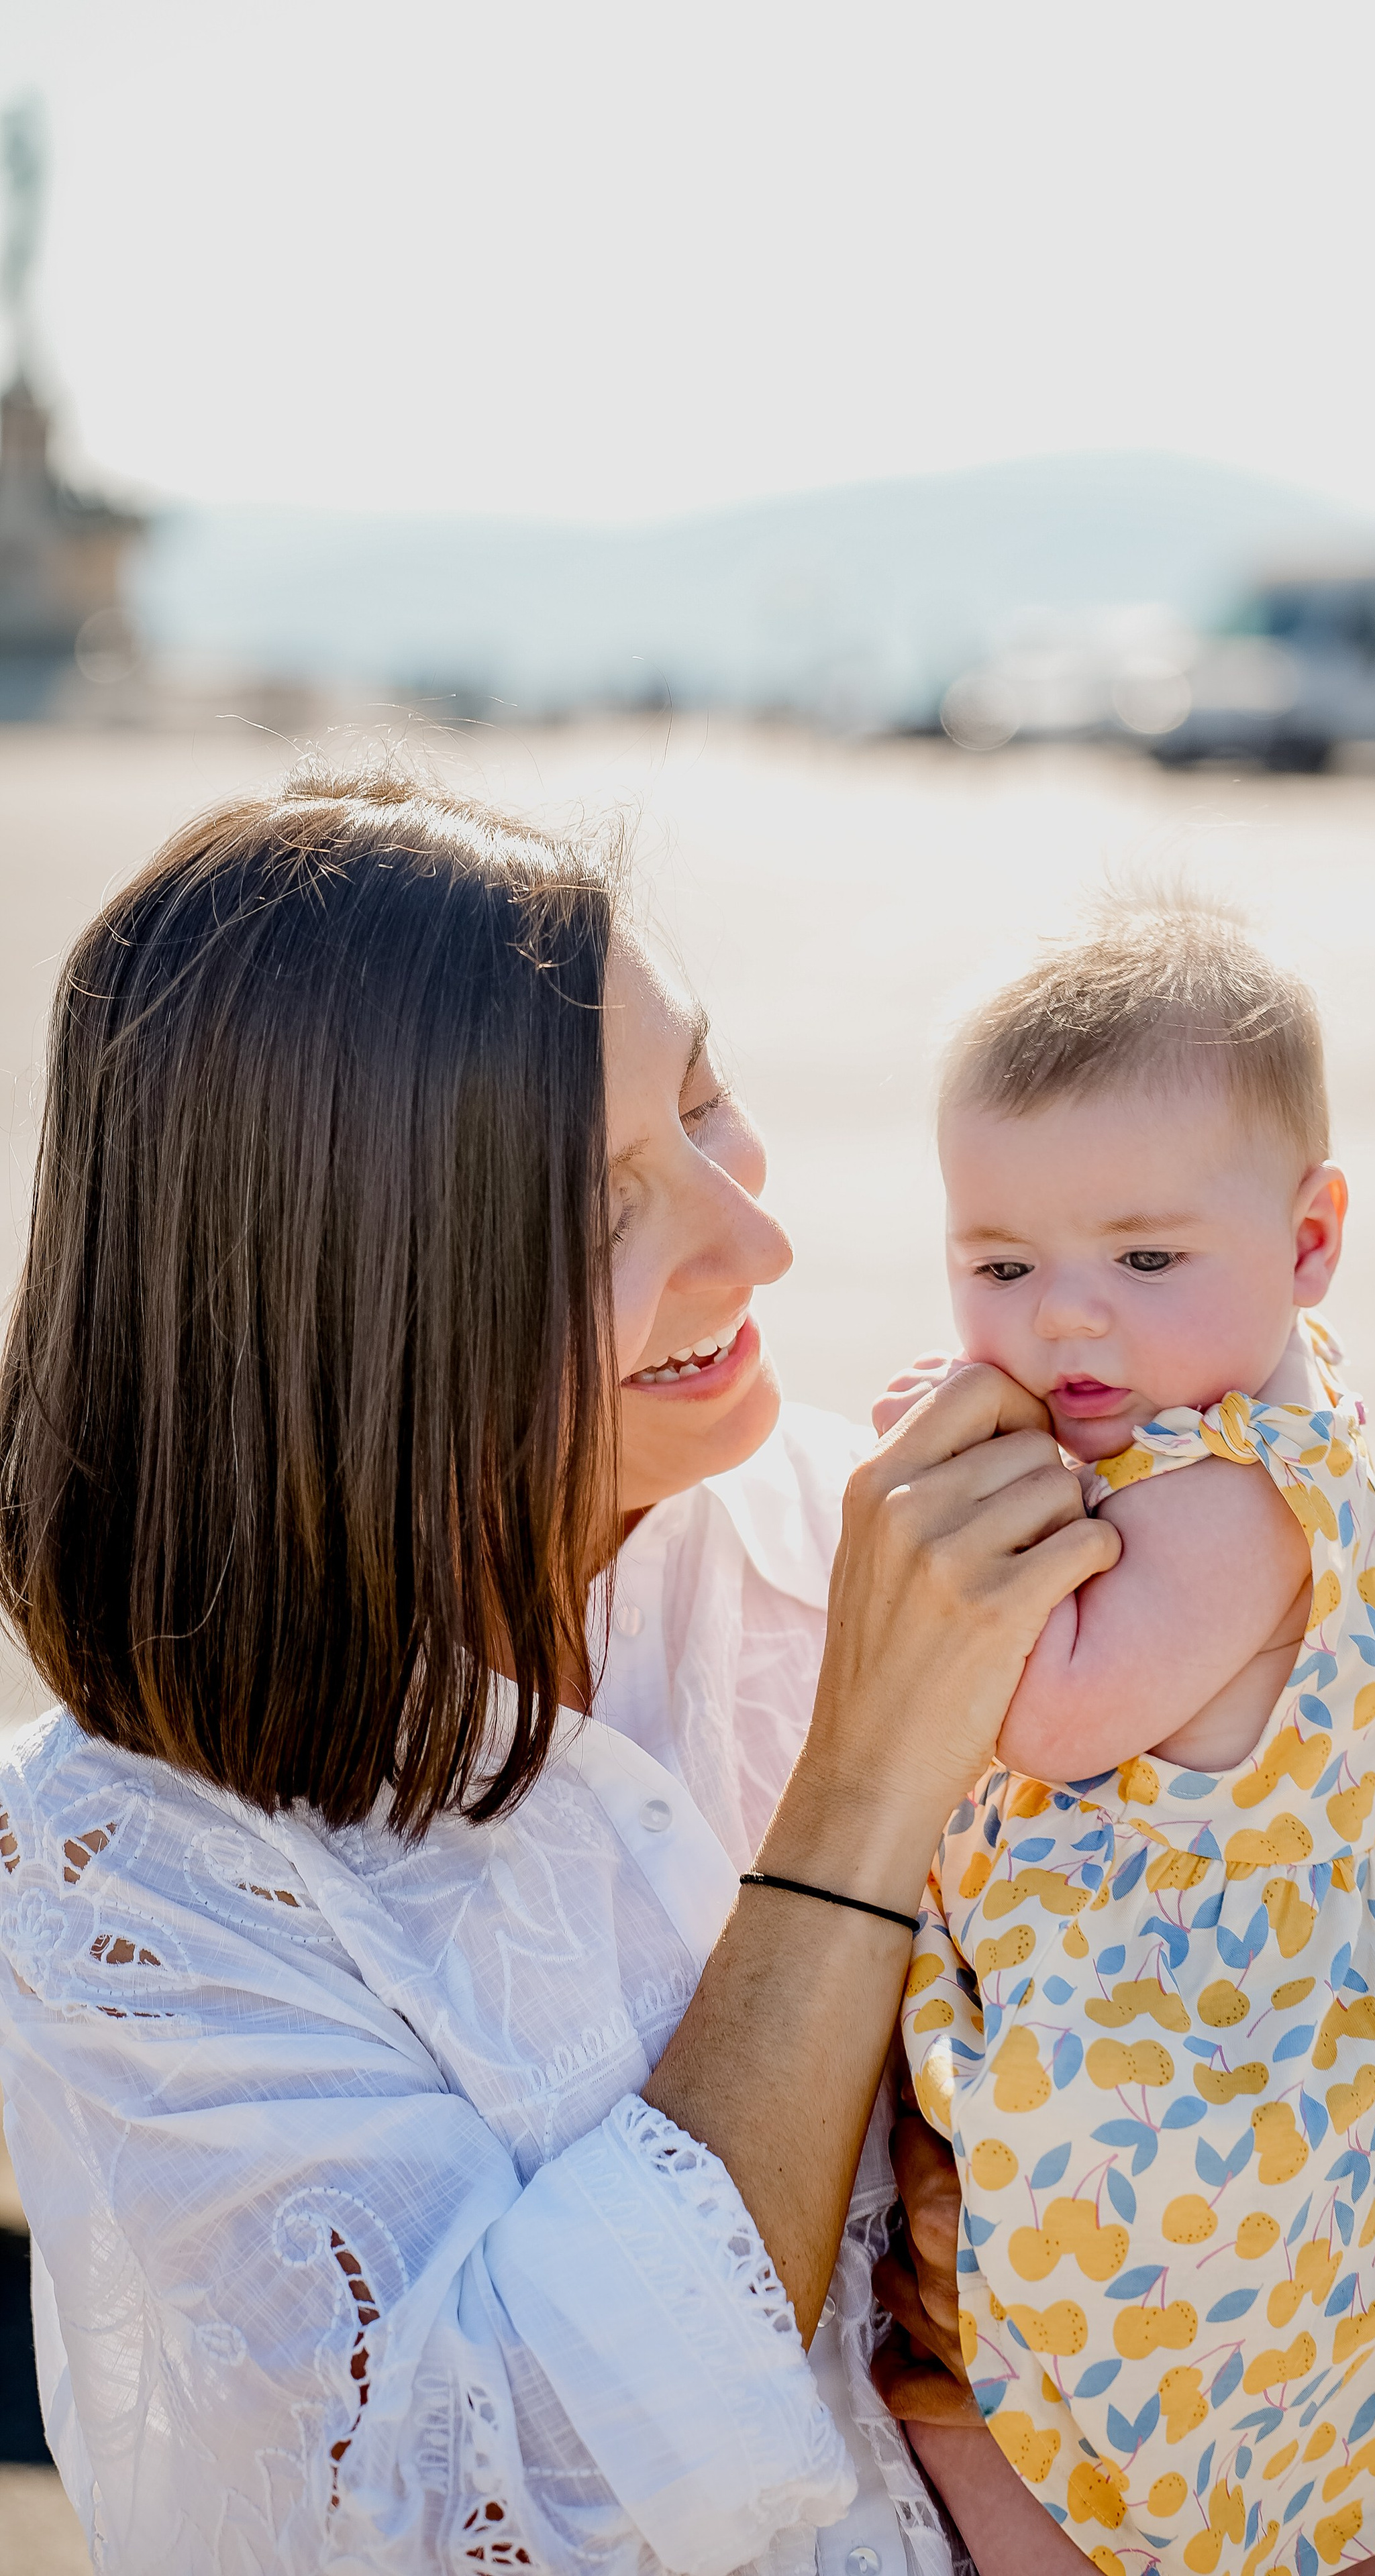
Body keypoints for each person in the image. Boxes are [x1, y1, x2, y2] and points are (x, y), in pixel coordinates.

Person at [0, 766, 1119, 2576]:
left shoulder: (883, 1534)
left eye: (706, 1104)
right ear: (347, 1311)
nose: (758, 1243)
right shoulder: (137, 1880)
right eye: (601, 1211)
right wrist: (862, 1796)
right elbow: (492, 2510)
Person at [879, 904, 1375, 2573]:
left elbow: (1035, 1709)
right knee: (1320, 2491)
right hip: (1290, 2093)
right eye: (1000, 1265)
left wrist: (922, 1508)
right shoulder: (1242, 1404)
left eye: (1144, 1261)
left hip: (1197, 2131)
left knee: (988, 2435)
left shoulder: (1229, 1500)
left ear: (1309, 1241)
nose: (1067, 1323)